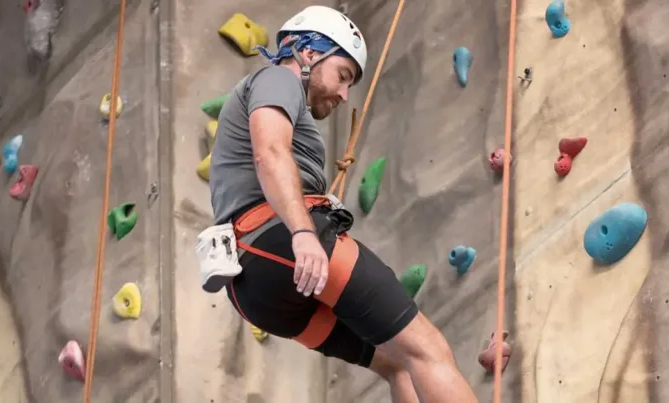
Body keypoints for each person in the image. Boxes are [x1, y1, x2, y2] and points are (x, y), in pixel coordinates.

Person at [195, 6, 478, 403]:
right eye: (343, 76)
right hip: (279, 242)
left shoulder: (274, 98)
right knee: (428, 349)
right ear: (309, 54)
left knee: (397, 364)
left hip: (254, 289)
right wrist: (304, 234)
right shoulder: (277, 79)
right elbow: (270, 153)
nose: (345, 95)